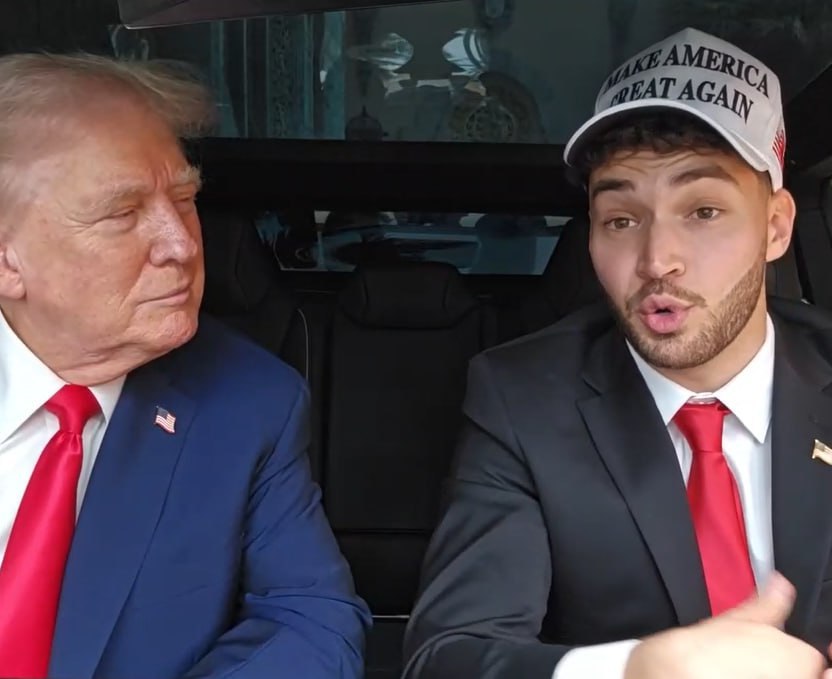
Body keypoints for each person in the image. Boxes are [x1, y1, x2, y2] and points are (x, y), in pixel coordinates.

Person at [402, 26, 832, 679]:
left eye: (703, 211)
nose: (657, 260)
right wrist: (636, 669)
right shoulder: (523, 400)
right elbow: (447, 656)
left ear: (775, 227)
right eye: (621, 220)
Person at [0, 53, 370, 678]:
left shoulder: (248, 402)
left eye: (185, 198)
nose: (181, 244)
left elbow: (312, 622)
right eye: (122, 215)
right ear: (7, 261)